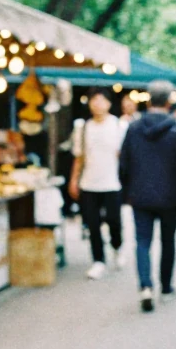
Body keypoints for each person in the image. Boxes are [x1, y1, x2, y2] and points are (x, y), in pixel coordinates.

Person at [119, 80, 176, 312]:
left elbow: (124, 163)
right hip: (170, 197)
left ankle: (145, 285)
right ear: (170, 101)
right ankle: (165, 287)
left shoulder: (133, 128)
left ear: (149, 99)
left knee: (142, 241)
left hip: (140, 195)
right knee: (168, 241)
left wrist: (127, 191)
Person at [70, 88, 127, 280]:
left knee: (114, 221)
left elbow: (124, 156)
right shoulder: (83, 127)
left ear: (109, 104)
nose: (97, 104)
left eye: (101, 100)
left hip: (112, 183)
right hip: (89, 183)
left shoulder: (119, 126)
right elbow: (79, 157)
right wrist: (74, 180)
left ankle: (117, 247)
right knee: (92, 224)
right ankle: (98, 260)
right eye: (94, 100)